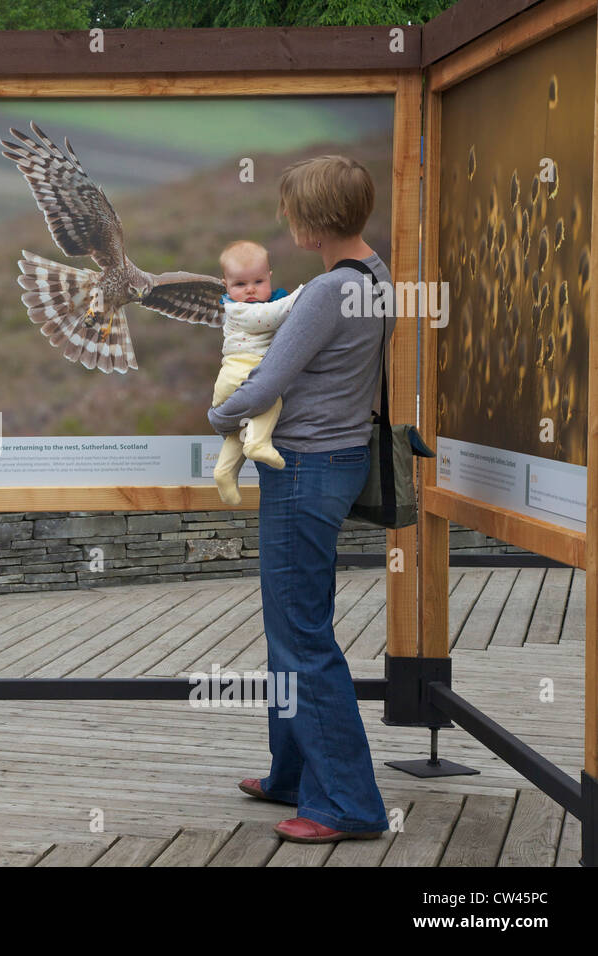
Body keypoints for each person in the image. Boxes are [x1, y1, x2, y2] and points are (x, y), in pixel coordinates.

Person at [207, 155, 395, 844]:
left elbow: (265, 386)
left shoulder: (322, 294)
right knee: (296, 627)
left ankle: (348, 804)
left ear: (312, 220)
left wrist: (219, 416)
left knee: (303, 638)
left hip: (303, 469)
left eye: (290, 209)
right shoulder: (377, 278)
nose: (285, 218)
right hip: (338, 462)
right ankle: (291, 773)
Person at [211, 240, 304, 506]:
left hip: (230, 379)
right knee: (271, 401)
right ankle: (258, 444)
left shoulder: (246, 304)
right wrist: (303, 293)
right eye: (240, 285)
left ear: (269, 277)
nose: (250, 290)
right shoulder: (239, 310)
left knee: (237, 431)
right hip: (243, 371)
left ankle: (224, 471)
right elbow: (273, 315)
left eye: (258, 282)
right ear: (226, 285)